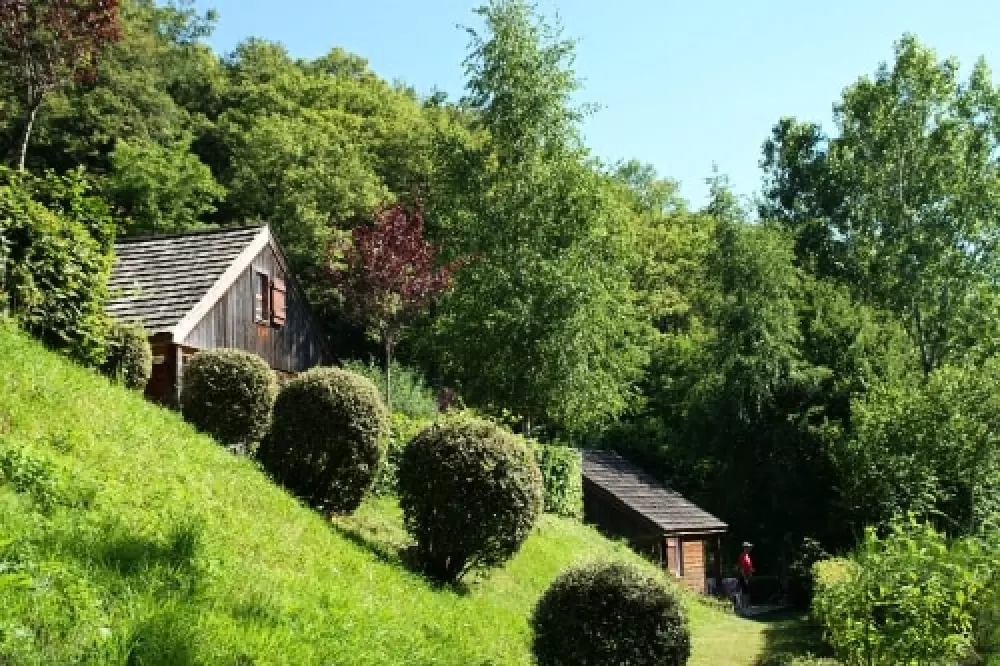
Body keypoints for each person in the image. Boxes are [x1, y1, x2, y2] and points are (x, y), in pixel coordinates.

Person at [737, 542, 754, 610]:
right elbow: (741, 568)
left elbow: (748, 567)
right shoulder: (742, 556)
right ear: (745, 548)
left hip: (748, 576)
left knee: (748, 591)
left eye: (750, 547)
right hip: (744, 576)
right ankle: (744, 606)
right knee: (744, 591)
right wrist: (745, 578)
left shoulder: (747, 556)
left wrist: (751, 571)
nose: (750, 548)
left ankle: (747, 605)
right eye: (749, 547)